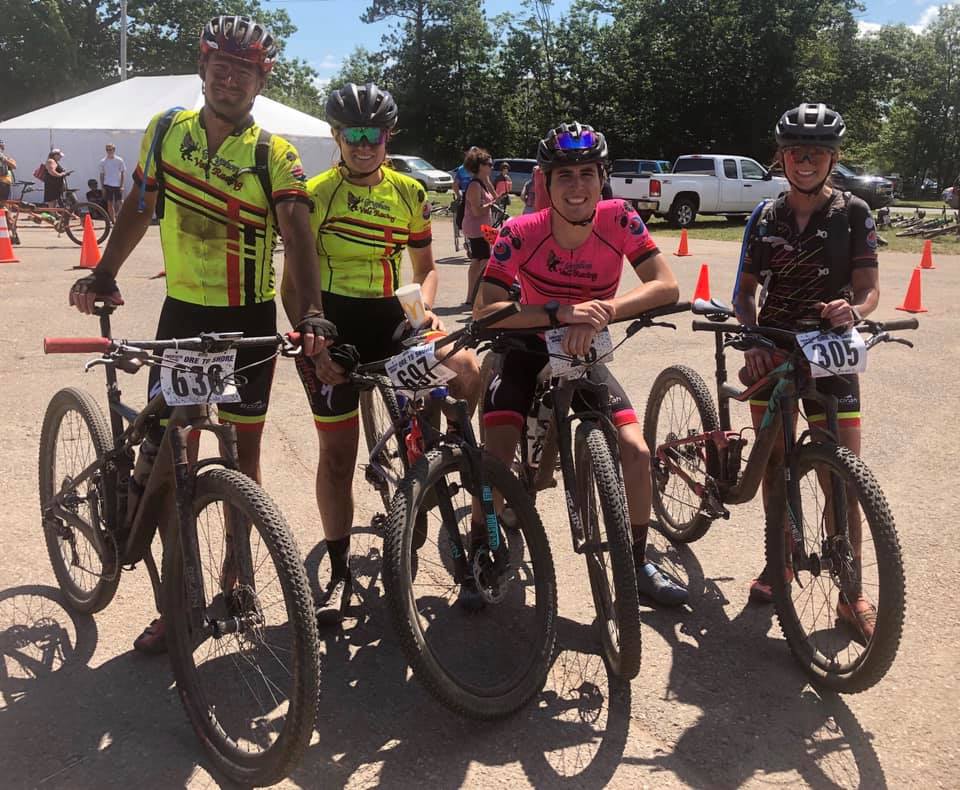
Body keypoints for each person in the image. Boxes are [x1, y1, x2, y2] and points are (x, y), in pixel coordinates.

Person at [67, 15, 327, 654]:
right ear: (203, 68)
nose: (230, 79)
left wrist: (312, 315)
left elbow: (298, 238)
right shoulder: (167, 131)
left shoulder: (273, 154)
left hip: (247, 321)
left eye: (244, 70)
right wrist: (104, 271)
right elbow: (140, 206)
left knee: (243, 458)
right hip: (182, 315)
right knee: (173, 454)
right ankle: (176, 602)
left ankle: (237, 581)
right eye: (221, 66)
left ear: (261, 81)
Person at [474, 122, 688, 606]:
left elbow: (666, 285)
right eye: (564, 175)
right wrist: (561, 313)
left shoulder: (621, 218)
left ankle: (637, 560)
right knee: (497, 454)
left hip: (585, 349)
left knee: (635, 450)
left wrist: (603, 311)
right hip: (526, 347)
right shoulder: (519, 230)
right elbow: (485, 311)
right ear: (546, 182)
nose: (577, 186)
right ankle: (481, 546)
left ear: (602, 178)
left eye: (587, 173)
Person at [296, 82, 481, 625]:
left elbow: (426, 270)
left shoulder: (409, 192)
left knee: (466, 367)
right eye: (353, 133)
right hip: (333, 327)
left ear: (387, 136)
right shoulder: (315, 193)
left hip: (393, 320)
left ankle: (437, 451)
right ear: (336, 136)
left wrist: (426, 310)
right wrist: (313, 340)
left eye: (373, 134)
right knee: (337, 457)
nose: (363, 144)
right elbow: (293, 283)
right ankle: (338, 571)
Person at [733, 103, 880, 639]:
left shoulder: (855, 213)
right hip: (773, 348)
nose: (806, 160)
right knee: (775, 466)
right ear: (782, 157)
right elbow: (745, 293)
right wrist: (752, 337)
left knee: (841, 477)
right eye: (796, 151)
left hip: (829, 351)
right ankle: (780, 560)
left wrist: (854, 311)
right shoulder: (764, 215)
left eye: (817, 152)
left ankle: (851, 592)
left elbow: (868, 290)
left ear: (833, 159)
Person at [461, 147, 498, 305]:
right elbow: (476, 211)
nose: (491, 167)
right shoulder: (474, 185)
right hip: (477, 228)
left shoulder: (482, 183)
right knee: (482, 262)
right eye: (489, 164)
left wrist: (489, 183)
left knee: (481, 260)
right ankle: (475, 297)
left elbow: (496, 197)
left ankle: (473, 296)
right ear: (480, 166)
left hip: (486, 227)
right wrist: (491, 205)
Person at [99, 143, 126, 222]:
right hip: (107, 184)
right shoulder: (103, 161)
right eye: (107, 150)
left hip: (117, 185)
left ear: (114, 150)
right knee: (110, 203)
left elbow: (123, 173)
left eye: (110, 149)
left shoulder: (119, 160)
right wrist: (102, 187)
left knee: (120, 202)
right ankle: (113, 220)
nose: (109, 151)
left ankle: (119, 218)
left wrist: (122, 185)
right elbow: (101, 174)